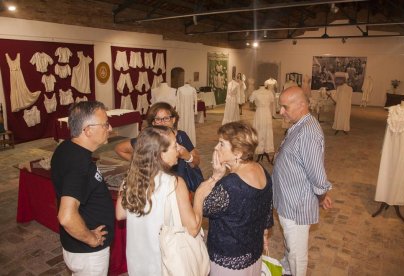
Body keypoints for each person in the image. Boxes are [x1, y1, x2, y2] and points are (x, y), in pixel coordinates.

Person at [116, 126, 205, 275]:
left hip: (138, 261)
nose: (179, 149)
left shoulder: (132, 178)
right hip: (165, 263)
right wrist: (200, 195)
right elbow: (193, 228)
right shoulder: (174, 183)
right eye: (174, 145)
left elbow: (120, 214)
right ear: (160, 153)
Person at [195, 121, 274, 275]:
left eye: (221, 144)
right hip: (253, 253)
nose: (216, 148)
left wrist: (212, 179)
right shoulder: (261, 170)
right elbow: (267, 207)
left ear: (237, 153)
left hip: (229, 259)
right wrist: (264, 234)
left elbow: (203, 208)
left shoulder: (230, 184)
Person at [272, 86, 332, 276]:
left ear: (302, 105)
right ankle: (287, 268)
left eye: (285, 107)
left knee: (297, 252)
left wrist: (322, 195)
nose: (281, 111)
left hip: (296, 205)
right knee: (291, 243)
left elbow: (317, 173)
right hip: (289, 199)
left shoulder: (308, 132)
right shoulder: (300, 124)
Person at [51, 101, 115, 275]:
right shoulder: (79, 164)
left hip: (75, 247)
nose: (109, 129)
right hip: (88, 255)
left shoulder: (66, 147)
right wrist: (91, 239)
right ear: (87, 130)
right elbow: (66, 216)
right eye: (105, 124)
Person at [114, 102, 201, 188]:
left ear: (173, 120)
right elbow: (120, 149)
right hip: (155, 184)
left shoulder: (182, 136)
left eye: (166, 118)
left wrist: (187, 156)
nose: (162, 122)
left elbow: (196, 162)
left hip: (180, 183)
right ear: (153, 123)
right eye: (158, 119)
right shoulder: (149, 140)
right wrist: (142, 162)